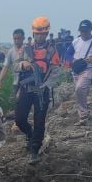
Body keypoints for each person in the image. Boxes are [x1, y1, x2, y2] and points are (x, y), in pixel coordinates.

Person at [14, 16, 61, 163]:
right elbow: (15, 65)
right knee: (20, 119)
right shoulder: (26, 49)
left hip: (42, 90)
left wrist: (46, 85)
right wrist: (23, 65)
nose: (40, 36)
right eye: (37, 33)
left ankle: (34, 150)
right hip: (26, 88)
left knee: (39, 121)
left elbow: (55, 71)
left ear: (47, 33)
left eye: (43, 33)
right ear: (33, 33)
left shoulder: (52, 51)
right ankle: (29, 133)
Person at [65, 19, 92, 126]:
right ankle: (84, 113)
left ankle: (83, 113)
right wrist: (72, 60)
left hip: (88, 69)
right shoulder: (76, 41)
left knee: (79, 88)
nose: (83, 33)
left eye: (86, 31)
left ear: (91, 30)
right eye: (82, 31)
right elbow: (68, 54)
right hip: (76, 69)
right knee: (80, 91)